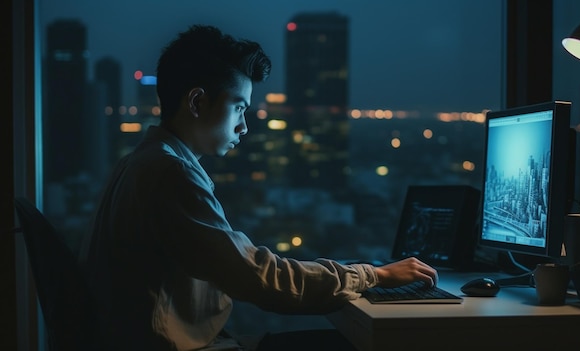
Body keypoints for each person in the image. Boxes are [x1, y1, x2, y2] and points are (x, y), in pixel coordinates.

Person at [80, 24, 439, 351]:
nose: (244, 127)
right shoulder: (170, 174)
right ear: (196, 102)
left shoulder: (142, 161)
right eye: (239, 108)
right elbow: (260, 278)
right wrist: (374, 274)